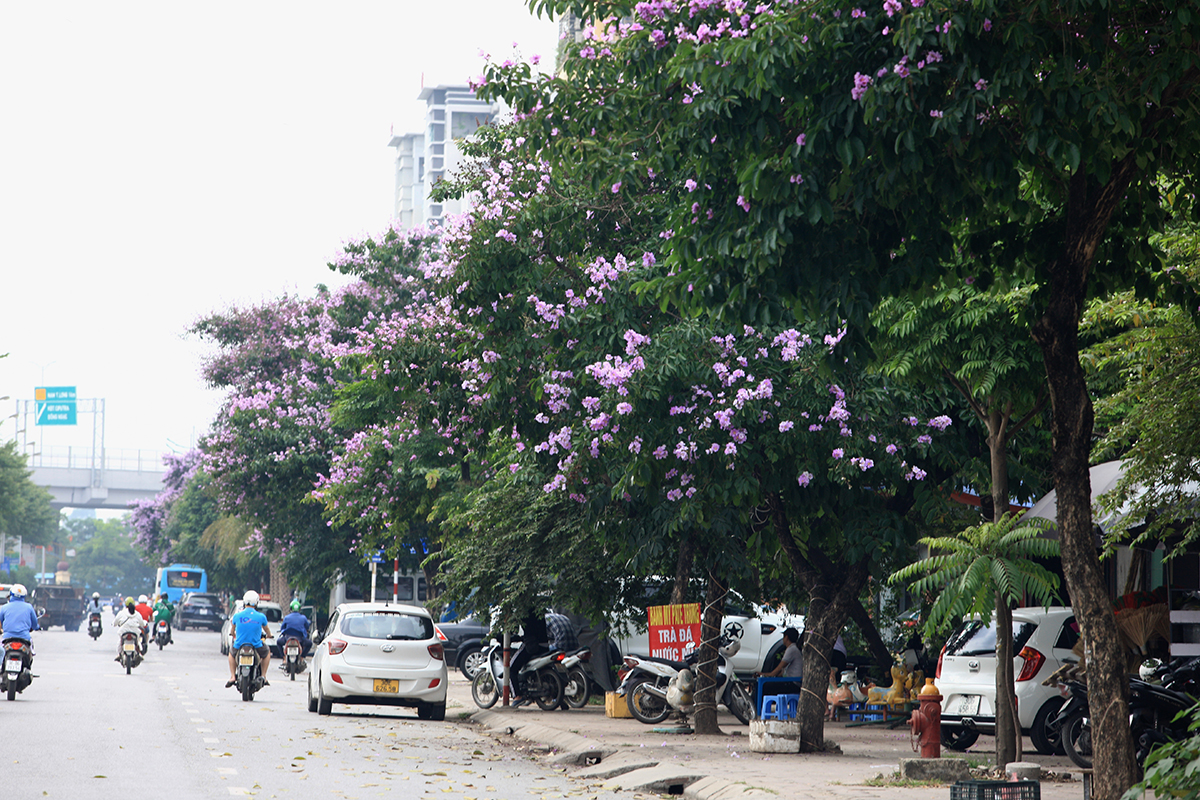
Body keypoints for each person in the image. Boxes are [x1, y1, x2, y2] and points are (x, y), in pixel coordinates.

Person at [227, 590, 272, 689]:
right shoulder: (261, 617)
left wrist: (233, 633)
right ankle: (264, 676)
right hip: (256, 645)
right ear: (256, 602)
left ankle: (233, 676)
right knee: (267, 652)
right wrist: (269, 635)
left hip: (239, 644)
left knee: (231, 653)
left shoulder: (237, 616)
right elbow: (267, 630)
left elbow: (232, 630)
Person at [509, 610, 549, 707]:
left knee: (511, 668)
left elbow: (511, 630)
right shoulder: (539, 611)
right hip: (545, 645)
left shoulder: (522, 612)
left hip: (531, 646)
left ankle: (517, 696)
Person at [755, 627, 803, 700]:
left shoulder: (791, 649)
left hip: (793, 684)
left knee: (763, 687)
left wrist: (764, 674)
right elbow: (781, 672)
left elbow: (778, 669)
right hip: (791, 681)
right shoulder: (794, 649)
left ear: (786, 637)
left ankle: (756, 708)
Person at [0, 584, 40, 670]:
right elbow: (34, 623)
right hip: (24, 638)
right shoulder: (29, 607)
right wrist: (37, 627)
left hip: (7, 638)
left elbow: (1, 622)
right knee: (31, 650)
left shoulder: (4, 607)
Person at [277, 600, 312, 665]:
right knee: (309, 643)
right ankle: (302, 657)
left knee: (278, 642)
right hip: (300, 639)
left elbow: (282, 628)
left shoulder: (287, 617)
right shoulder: (303, 618)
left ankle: (284, 659)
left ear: (290, 608)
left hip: (287, 638)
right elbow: (307, 627)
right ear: (299, 609)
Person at [113, 597, 147, 662]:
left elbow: (115, 622)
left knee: (120, 641)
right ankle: (139, 653)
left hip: (123, 632)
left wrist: (114, 624)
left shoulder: (121, 613)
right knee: (138, 642)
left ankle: (119, 654)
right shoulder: (137, 614)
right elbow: (142, 623)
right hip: (135, 632)